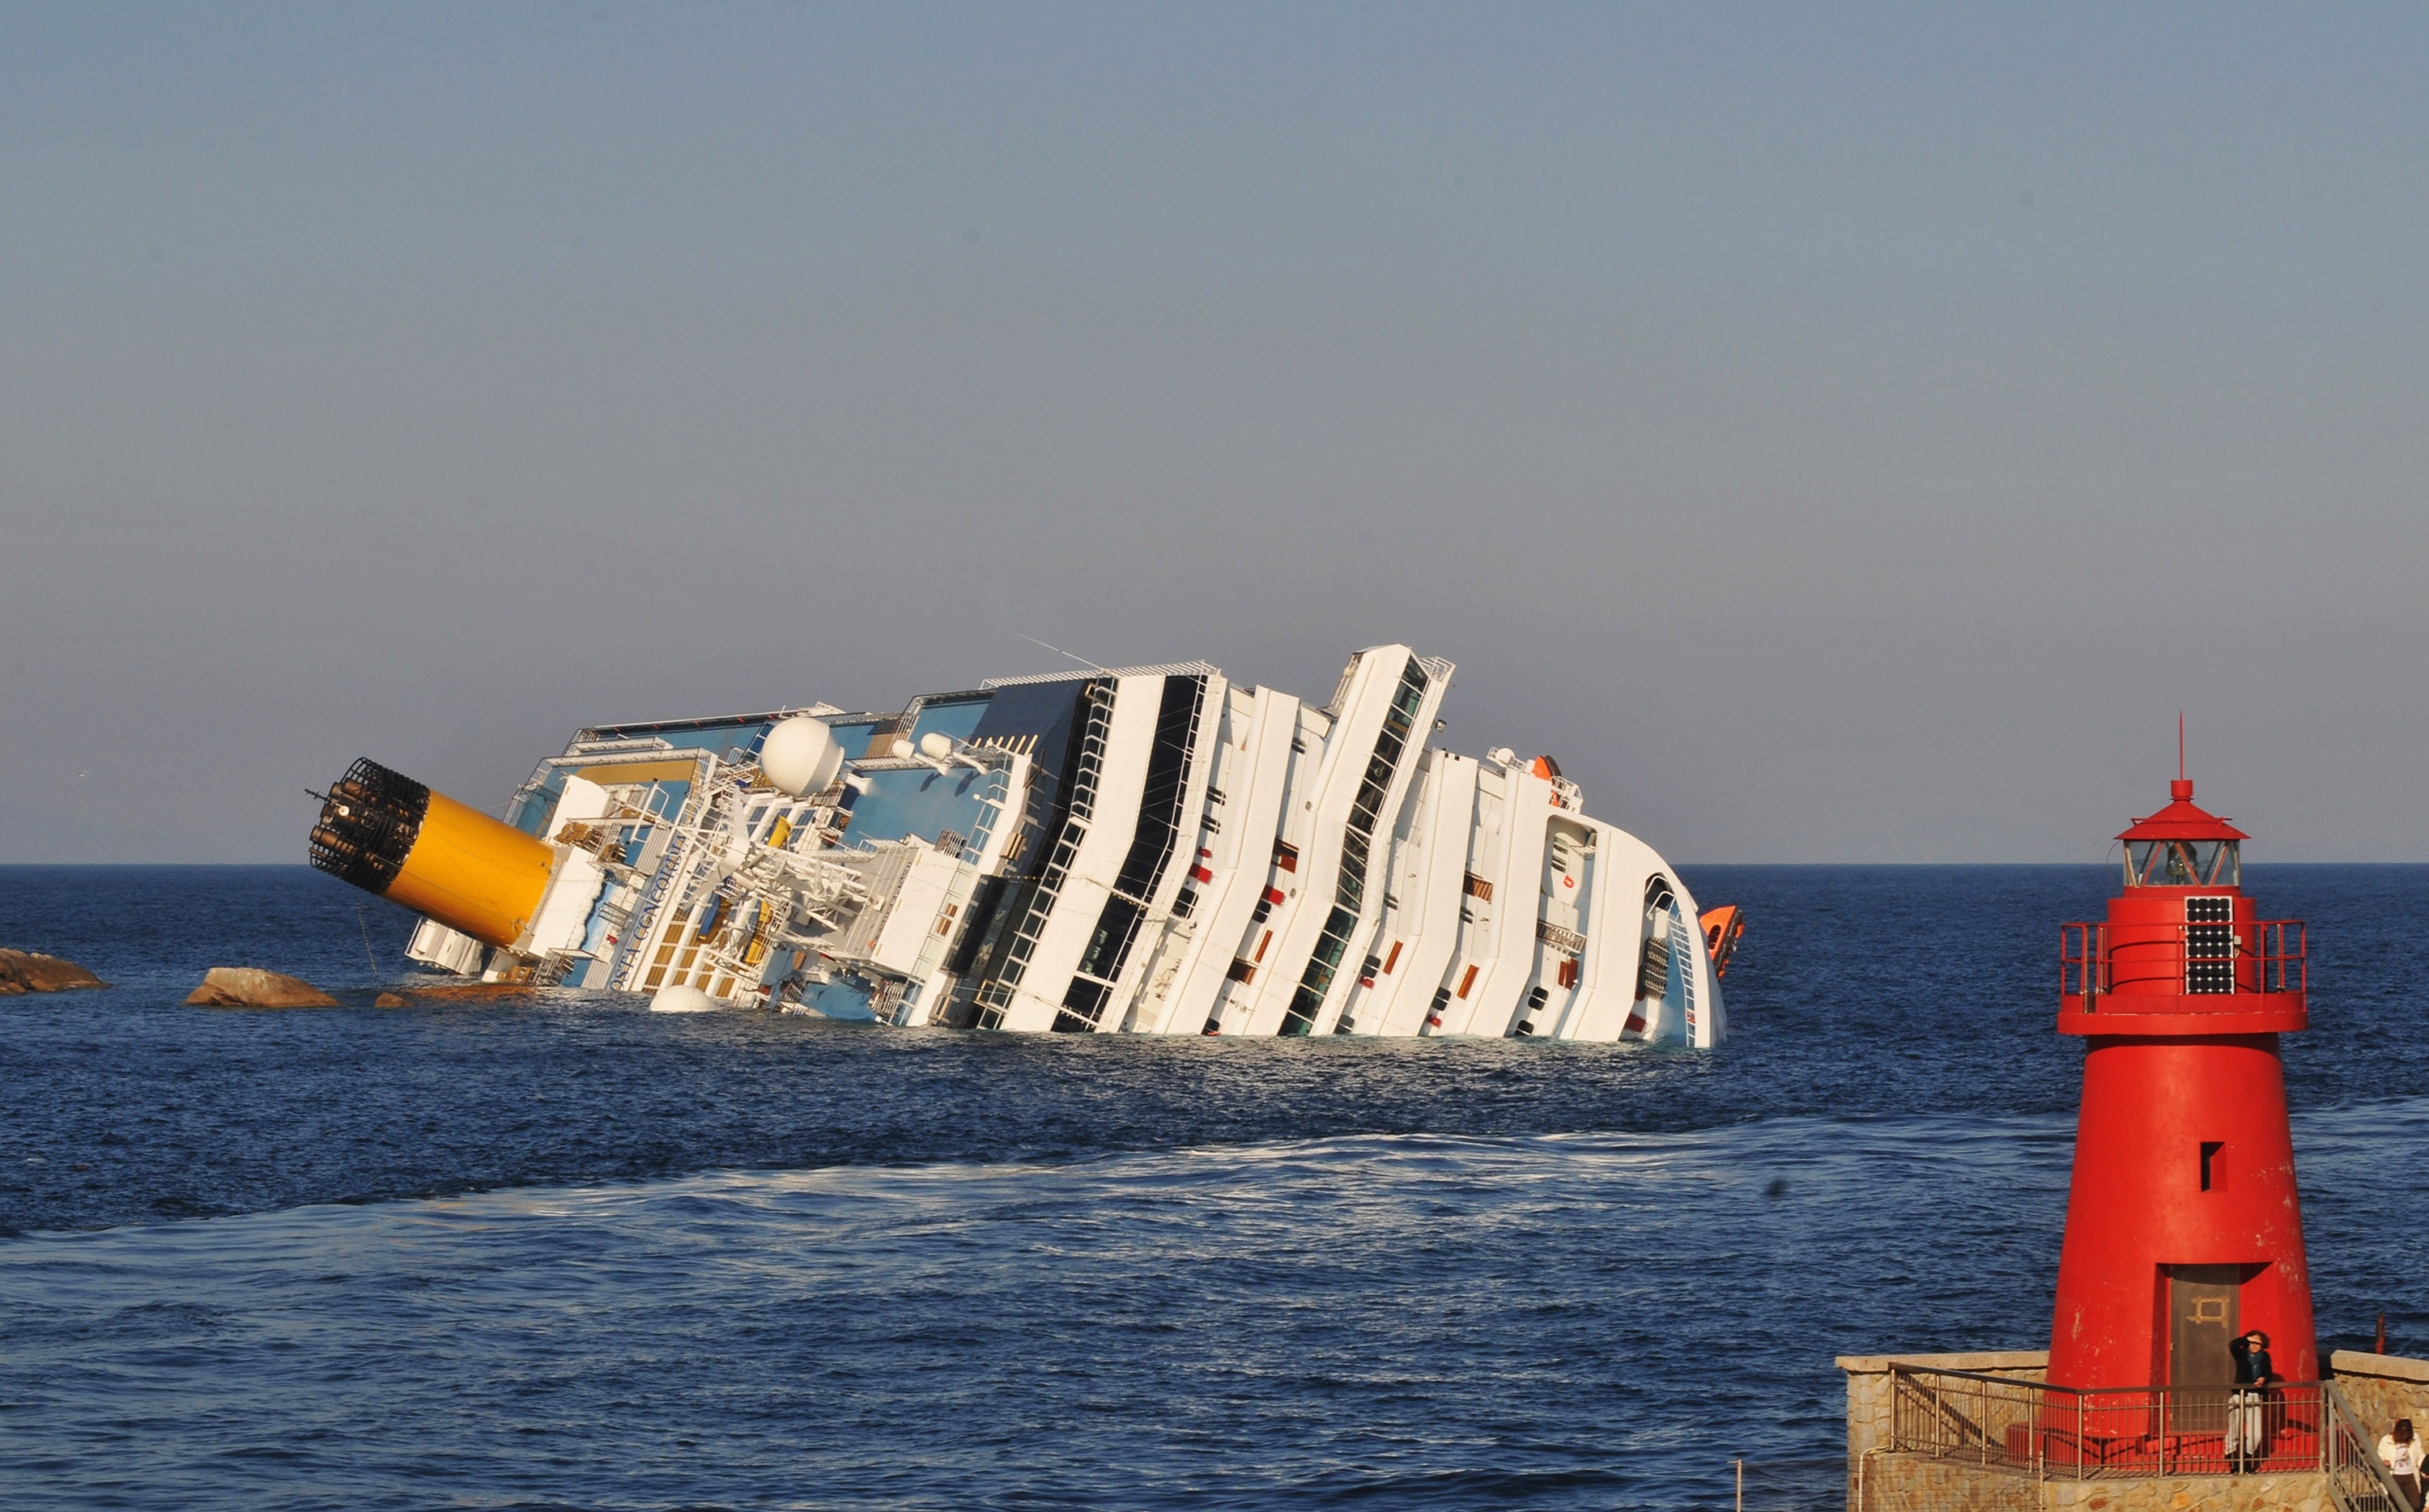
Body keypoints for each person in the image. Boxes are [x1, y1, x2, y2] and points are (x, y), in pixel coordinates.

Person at [2226, 1330, 2274, 1472]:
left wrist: (2264, 1379)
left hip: (2255, 1396)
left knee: (2255, 1435)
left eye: (2257, 1343)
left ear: (2263, 1345)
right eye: (2252, 1343)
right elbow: (2233, 1345)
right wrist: (2246, 1339)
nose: (2254, 1346)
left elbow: (2269, 1374)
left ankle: (2247, 1460)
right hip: (2238, 1396)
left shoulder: (2265, 1356)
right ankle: (2232, 1458)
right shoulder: (2241, 1354)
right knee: (2234, 1431)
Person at [2381, 1419, 2426, 1510]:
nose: (2405, 1437)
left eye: (2407, 1435)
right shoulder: (2386, 1440)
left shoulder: (2415, 1439)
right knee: (2395, 1503)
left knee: (2416, 1504)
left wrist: (2425, 1472)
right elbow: (2379, 1456)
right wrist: (2384, 1461)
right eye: (2403, 1434)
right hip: (2394, 1476)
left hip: (2410, 1476)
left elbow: (2421, 1457)